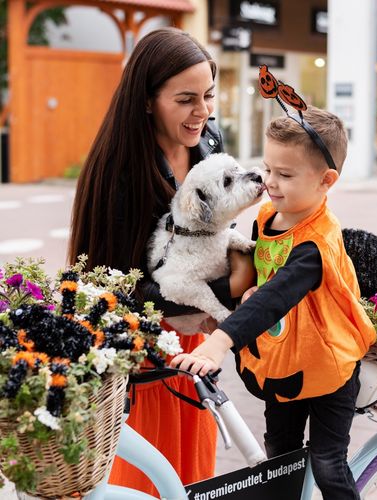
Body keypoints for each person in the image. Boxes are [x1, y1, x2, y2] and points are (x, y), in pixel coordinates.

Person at [68, 27, 254, 496]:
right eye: (186, 99)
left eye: (209, 95)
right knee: (147, 481)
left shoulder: (208, 140)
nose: (204, 112)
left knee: (194, 473)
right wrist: (215, 300)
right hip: (142, 355)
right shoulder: (119, 173)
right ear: (148, 100)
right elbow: (109, 285)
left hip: (194, 348)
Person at [171, 106, 377, 499]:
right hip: (286, 360)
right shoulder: (268, 215)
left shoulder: (317, 243)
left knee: (328, 463)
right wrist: (222, 310)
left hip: (328, 365)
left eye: (285, 175)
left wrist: (219, 343)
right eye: (268, 169)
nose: (270, 182)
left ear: (326, 181)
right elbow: (255, 277)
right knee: (278, 458)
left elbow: (275, 296)